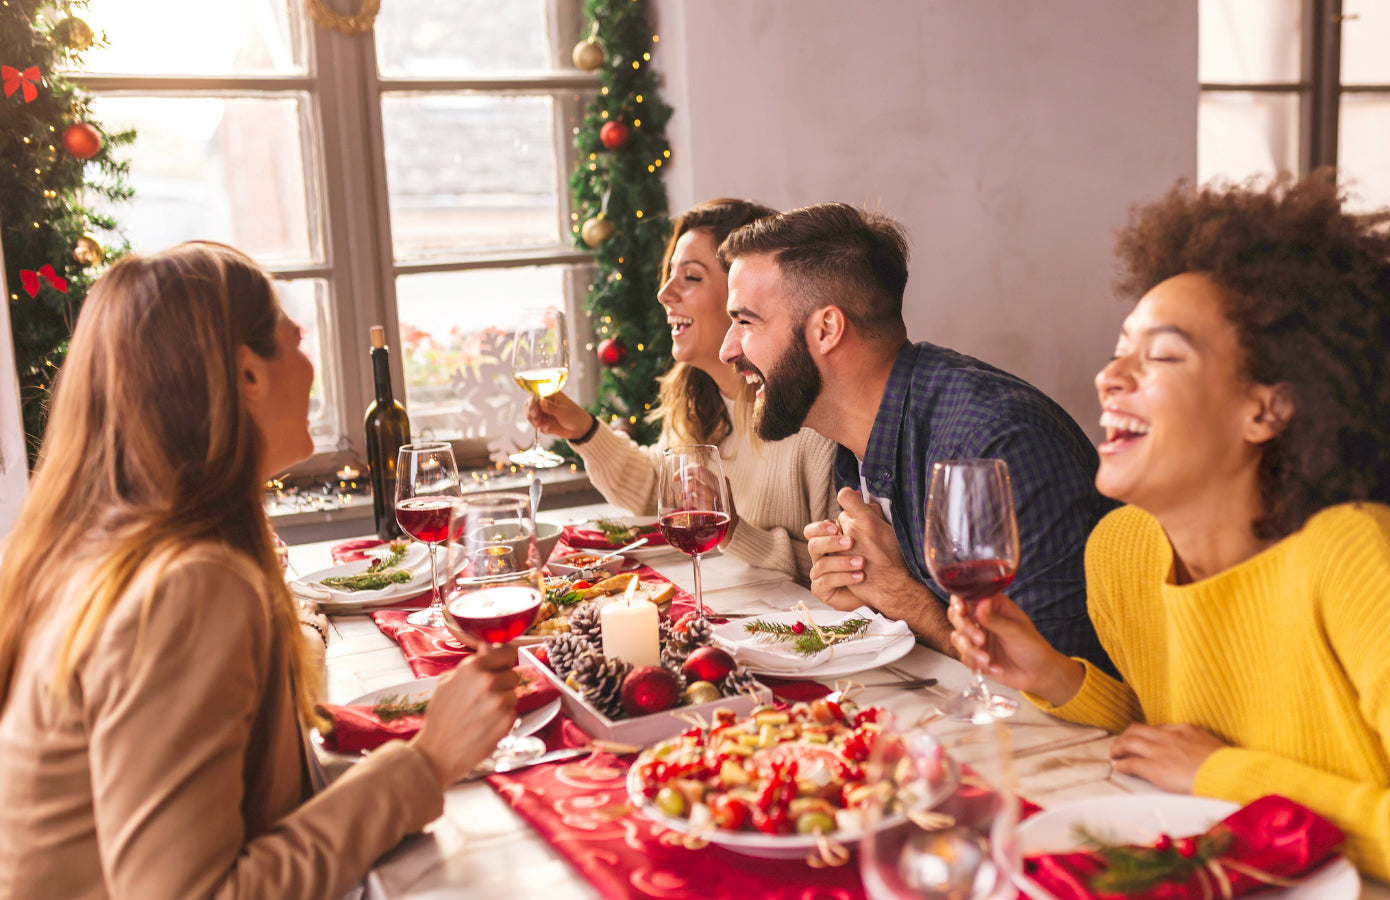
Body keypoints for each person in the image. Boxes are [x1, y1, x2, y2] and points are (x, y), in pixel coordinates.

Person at [948, 172, 1390, 897]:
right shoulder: (1122, 551)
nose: (1110, 375)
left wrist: (1223, 776)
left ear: (1265, 412)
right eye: (1120, 349)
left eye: (1163, 355)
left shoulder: (1357, 557)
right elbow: (1174, 731)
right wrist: (1056, 676)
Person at [0, 243, 521, 899]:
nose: (310, 365)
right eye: (296, 339)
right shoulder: (182, 587)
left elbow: (245, 814)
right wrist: (427, 761)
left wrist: (421, 763)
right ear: (248, 375)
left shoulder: (108, 552)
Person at [717, 202, 1116, 669]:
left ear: (826, 329)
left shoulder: (993, 445)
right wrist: (868, 594)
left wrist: (903, 600)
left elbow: (1058, 681)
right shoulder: (854, 443)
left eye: (745, 321)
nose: (728, 349)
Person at [528, 198, 838, 584]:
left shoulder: (809, 421)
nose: (664, 293)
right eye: (670, 274)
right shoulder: (698, 397)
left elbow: (839, 574)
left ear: (743, 294)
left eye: (691, 277)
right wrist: (585, 430)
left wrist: (733, 530)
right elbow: (657, 488)